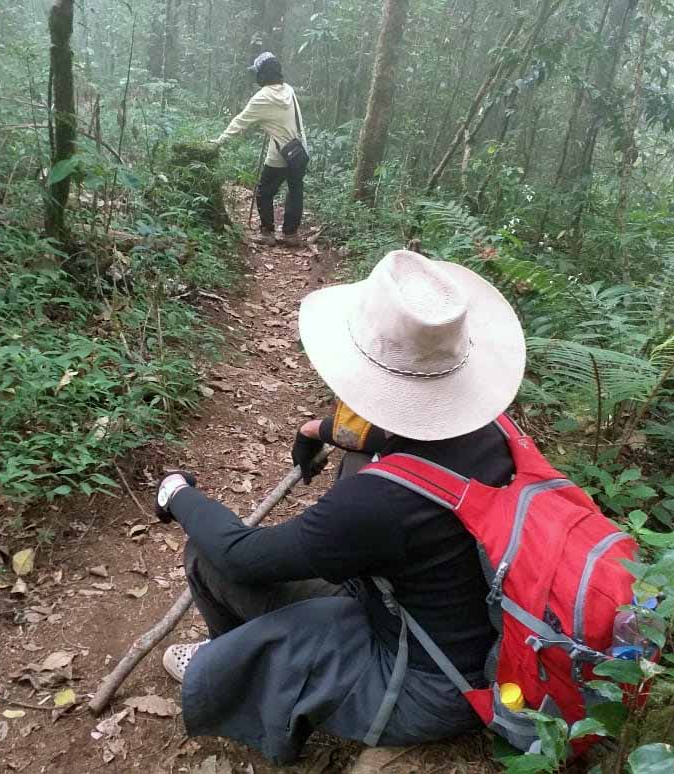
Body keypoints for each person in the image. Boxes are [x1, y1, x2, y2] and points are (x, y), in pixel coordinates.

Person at [153, 250, 529, 764]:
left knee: (207, 553)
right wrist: (320, 429)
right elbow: (403, 428)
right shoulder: (492, 432)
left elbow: (241, 555)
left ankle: (243, 671)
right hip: (474, 644)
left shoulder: (378, 502)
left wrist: (178, 493)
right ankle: (251, 658)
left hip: (424, 687)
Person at [212, 52, 308, 248]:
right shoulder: (288, 90)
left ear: (263, 75)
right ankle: (290, 234)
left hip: (281, 153)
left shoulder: (262, 98)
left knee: (264, 191)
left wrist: (218, 142)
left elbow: (240, 122)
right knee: (295, 189)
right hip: (299, 150)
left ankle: (268, 232)